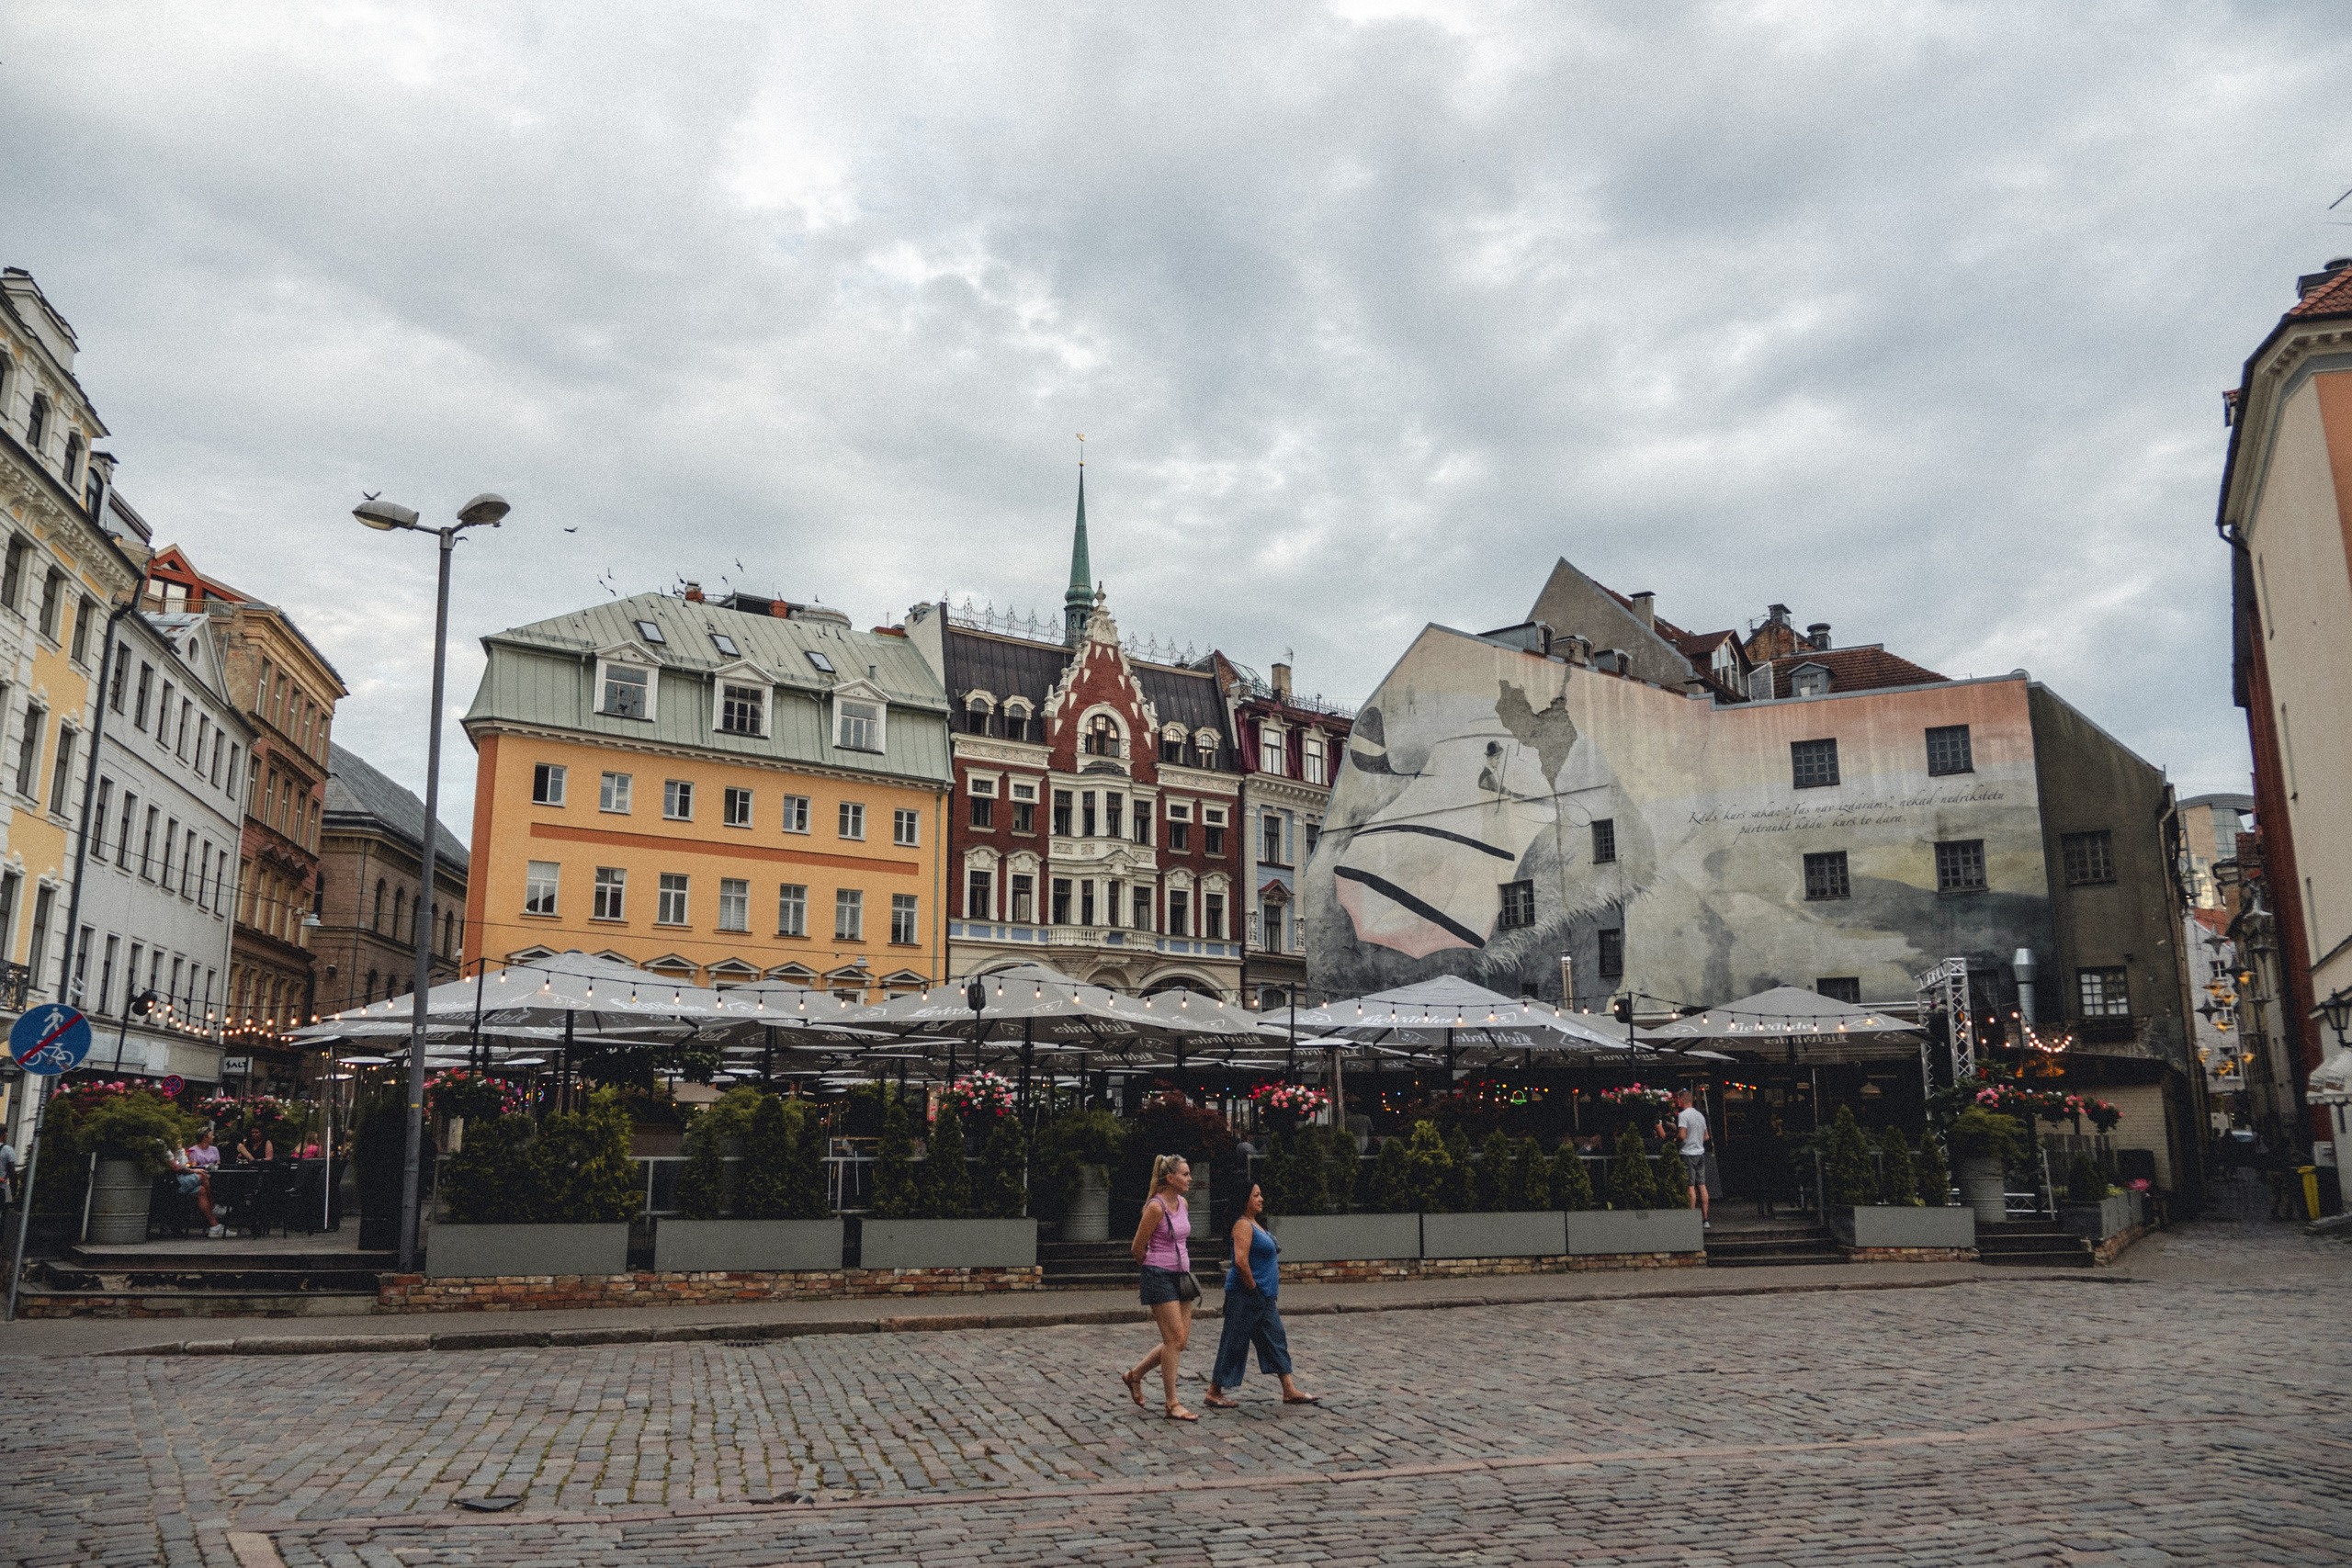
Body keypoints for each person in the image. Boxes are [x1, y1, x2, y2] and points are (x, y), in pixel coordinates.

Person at [1205, 1183, 1317, 1410]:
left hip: (1264, 1296)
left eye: (1260, 1194)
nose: (1261, 1199)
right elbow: (1240, 1261)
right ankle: (1213, 1392)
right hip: (1245, 1295)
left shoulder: (1255, 1223)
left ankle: (1289, 1390)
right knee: (1234, 1342)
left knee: (1276, 1338)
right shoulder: (1242, 1225)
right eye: (1256, 1195)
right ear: (1244, 1199)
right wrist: (1253, 1289)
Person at [1123, 1155, 1200, 1421]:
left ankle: (1134, 1375)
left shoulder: (1183, 1203)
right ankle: (1171, 1403)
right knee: (1173, 1339)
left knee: (1179, 1342)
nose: (1190, 1178)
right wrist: (1155, 1267)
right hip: (1159, 1276)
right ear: (1170, 1178)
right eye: (1185, 1174)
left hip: (1182, 1277)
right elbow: (1137, 1248)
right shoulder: (1156, 1207)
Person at [170, 1133, 223, 1236]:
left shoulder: (180, 1151)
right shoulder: (167, 1151)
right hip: (173, 1182)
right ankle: (213, 1206)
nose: (179, 1142)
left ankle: (215, 1227)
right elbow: (177, 1167)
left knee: (201, 1190)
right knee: (203, 1176)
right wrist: (193, 1170)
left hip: (181, 1178)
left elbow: (183, 1165)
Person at [1673, 1089, 1711, 1229]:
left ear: (1683, 1100)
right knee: (1702, 1185)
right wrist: (1696, 1140)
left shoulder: (1683, 1115)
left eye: (1678, 1101)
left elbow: (1682, 1135)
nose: (1678, 1103)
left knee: (1690, 1186)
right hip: (1700, 1153)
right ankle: (1705, 1218)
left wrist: (1676, 1139)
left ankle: (1691, 1218)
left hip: (1687, 1153)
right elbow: (1706, 1137)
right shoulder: (1700, 1115)